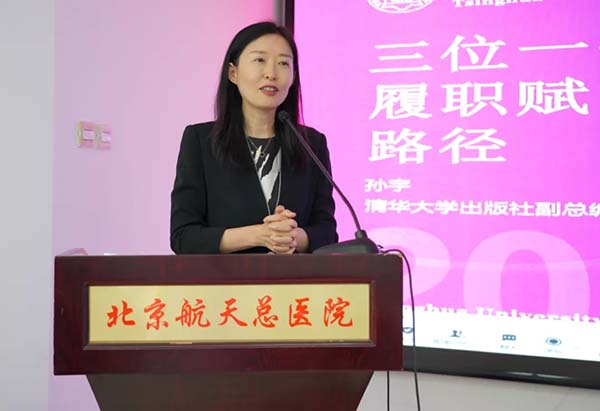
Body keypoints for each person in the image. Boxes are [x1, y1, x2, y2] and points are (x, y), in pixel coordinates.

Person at [170, 21, 338, 254]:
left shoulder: (312, 144)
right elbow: (183, 237)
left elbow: (327, 232)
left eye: (283, 63)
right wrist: (259, 235)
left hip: (296, 277)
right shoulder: (200, 140)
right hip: (228, 278)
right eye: (260, 60)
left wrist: (291, 237)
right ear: (233, 73)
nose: (271, 73)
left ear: (293, 76)